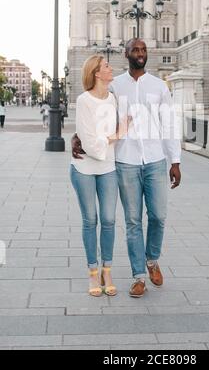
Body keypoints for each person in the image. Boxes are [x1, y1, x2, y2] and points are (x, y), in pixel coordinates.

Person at [73, 39, 182, 298]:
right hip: (125, 162)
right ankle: (139, 277)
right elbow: (97, 112)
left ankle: (152, 259)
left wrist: (174, 160)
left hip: (155, 161)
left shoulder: (159, 86)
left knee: (158, 216)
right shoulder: (115, 87)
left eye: (144, 50)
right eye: (136, 50)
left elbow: (168, 124)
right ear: (127, 54)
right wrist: (78, 136)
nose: (141, 53)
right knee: (132, 221)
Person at [71, 54, 131, 297]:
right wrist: (116, 136)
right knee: (90, 221)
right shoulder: (84, 101)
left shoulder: (113, 99)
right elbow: (87, 140)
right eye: (106, 66)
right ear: (97, 72)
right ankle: (92, 272)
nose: (111, 68)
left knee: (108, 220)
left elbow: (113, 134)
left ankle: (108, 269)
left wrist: (115, 135)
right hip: (84, 169)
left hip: (108, 168)